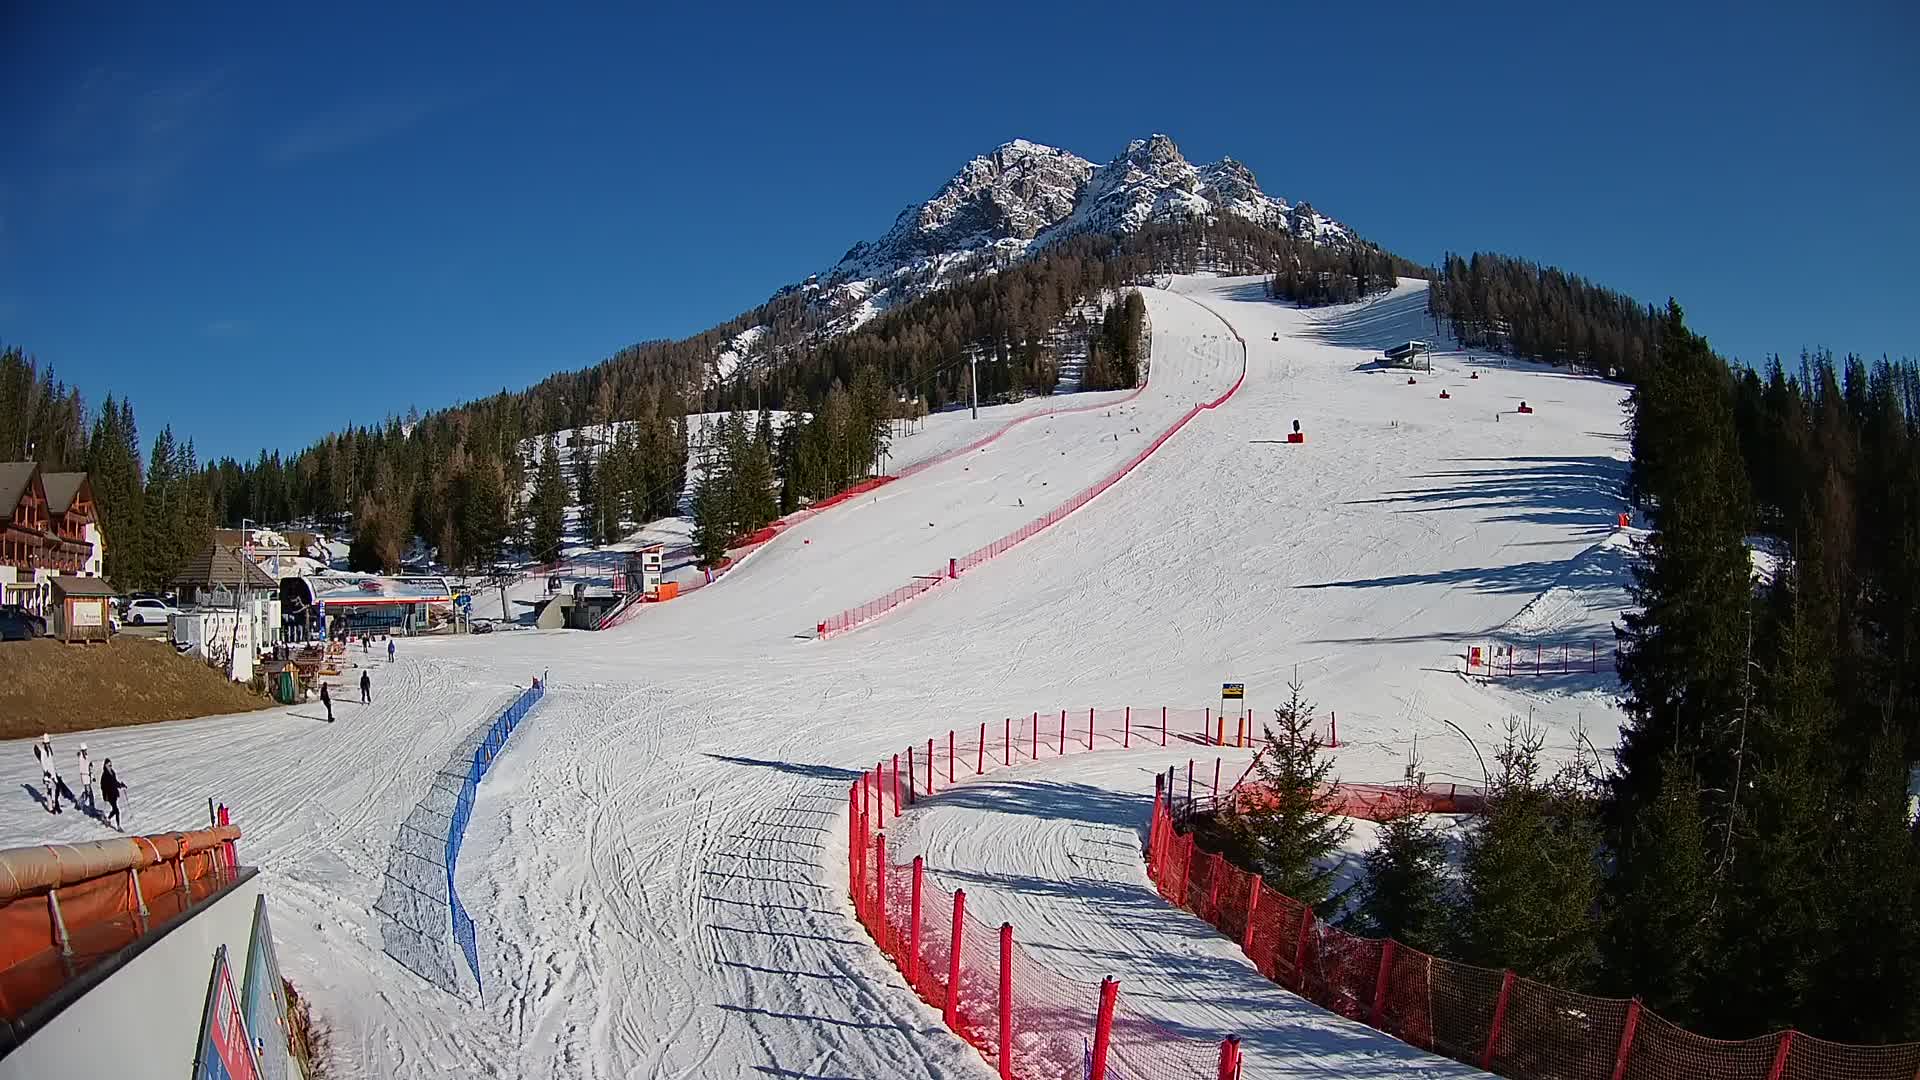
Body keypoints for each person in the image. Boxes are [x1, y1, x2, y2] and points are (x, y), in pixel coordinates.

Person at [33, 734, 61, 814]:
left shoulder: (49, 750)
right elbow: (43, 763)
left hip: (53, 772)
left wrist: (54, 772)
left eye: (48, 743)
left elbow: (51, 762)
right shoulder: (43, 752)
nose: (48, 744)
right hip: (48, 774)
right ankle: (50, 807)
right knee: (49, 790)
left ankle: (56, 804)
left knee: (57, 788)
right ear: (44, 744)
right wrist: (46, 772)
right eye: (46, 743)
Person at [99, 759, 123, 830]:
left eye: (111, 765)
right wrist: (105, 794)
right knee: (117, 810)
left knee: (114, 809)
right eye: (109, 765)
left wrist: (121, 785)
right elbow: (102, 786)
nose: (110, 766)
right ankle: (118, 826)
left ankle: (107, 819)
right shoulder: (104, 775)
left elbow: (115, 782)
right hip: (109, 795)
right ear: (105, 765)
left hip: (114, 794)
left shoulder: (112, 772)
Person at [75, 743, 95, 813]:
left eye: (85, 750)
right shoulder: (81, 757)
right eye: (83, 750)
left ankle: (79, 803)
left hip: (88, 777)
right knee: (89, 793)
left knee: (88, 793)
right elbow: (79, 755)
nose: (85, 751)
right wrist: (80, 753)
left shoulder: (86, 756)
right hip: (84, 777)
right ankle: (91, 807)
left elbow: (89, 767)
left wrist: (92, 777)